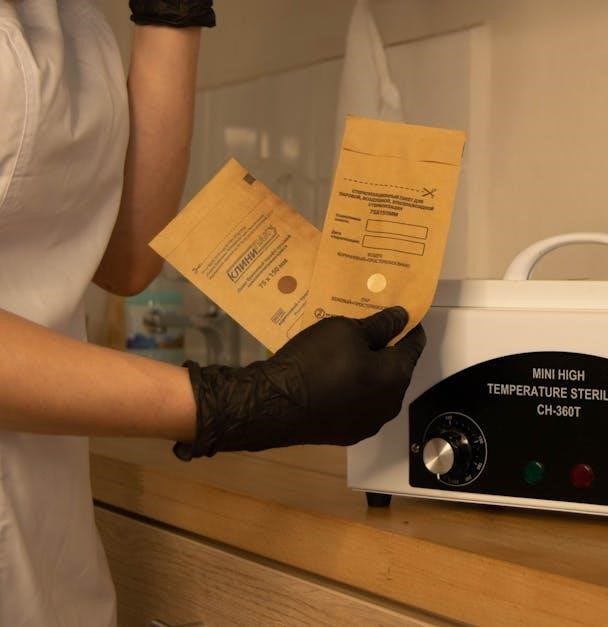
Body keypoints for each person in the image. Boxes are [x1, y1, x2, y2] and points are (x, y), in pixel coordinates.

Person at [0, 1, 426, 623]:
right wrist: (241, 402)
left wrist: (172, 15)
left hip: (47, 533)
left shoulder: (68, 14)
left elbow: (124, 255)